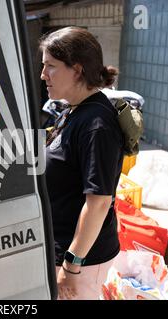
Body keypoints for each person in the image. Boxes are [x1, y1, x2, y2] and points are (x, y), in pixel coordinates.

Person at [40, 27, 124, 300]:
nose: (43, 75)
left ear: (77, 70)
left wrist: (72, 264)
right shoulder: (73, 110)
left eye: (50, 66)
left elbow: (98, 202)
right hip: (64, 251)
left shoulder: (96, 125)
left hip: (83, 261)